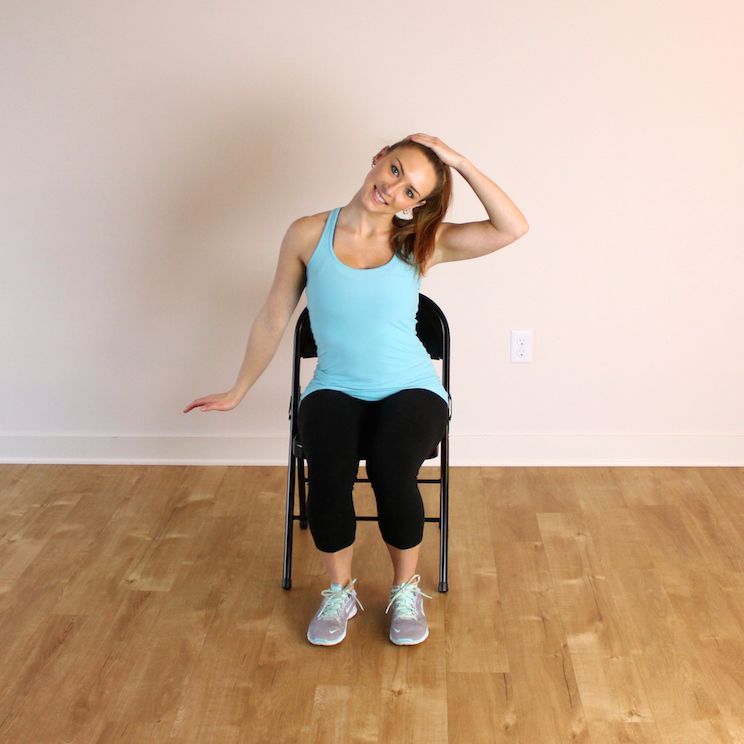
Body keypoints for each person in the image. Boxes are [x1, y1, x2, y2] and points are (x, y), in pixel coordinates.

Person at [183, 132, 529, 647]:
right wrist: (239, 389)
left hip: (411, 389)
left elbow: (511, 228)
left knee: (392, 470)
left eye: (411, 192)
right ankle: (339, 591)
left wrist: (455, 161)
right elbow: (275, 314)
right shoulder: (307, 234)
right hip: (335, 387)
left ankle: (404, 589)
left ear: (418, 205)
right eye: (395, 171)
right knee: (327, 474)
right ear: (378, 160)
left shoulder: (418, 242)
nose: (394, 191)